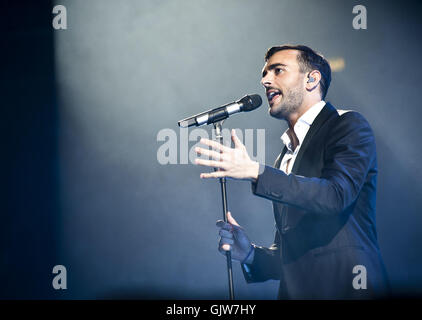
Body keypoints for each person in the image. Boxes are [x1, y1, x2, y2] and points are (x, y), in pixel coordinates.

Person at [194, 44, 390, 299]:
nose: (265, 80)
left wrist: (255, 170)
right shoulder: (284, 157)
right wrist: (249, 253)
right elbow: (293, 256)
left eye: (277, 70)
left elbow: (335, 196)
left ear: (312, 79)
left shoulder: (347, 125)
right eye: (265, 74)